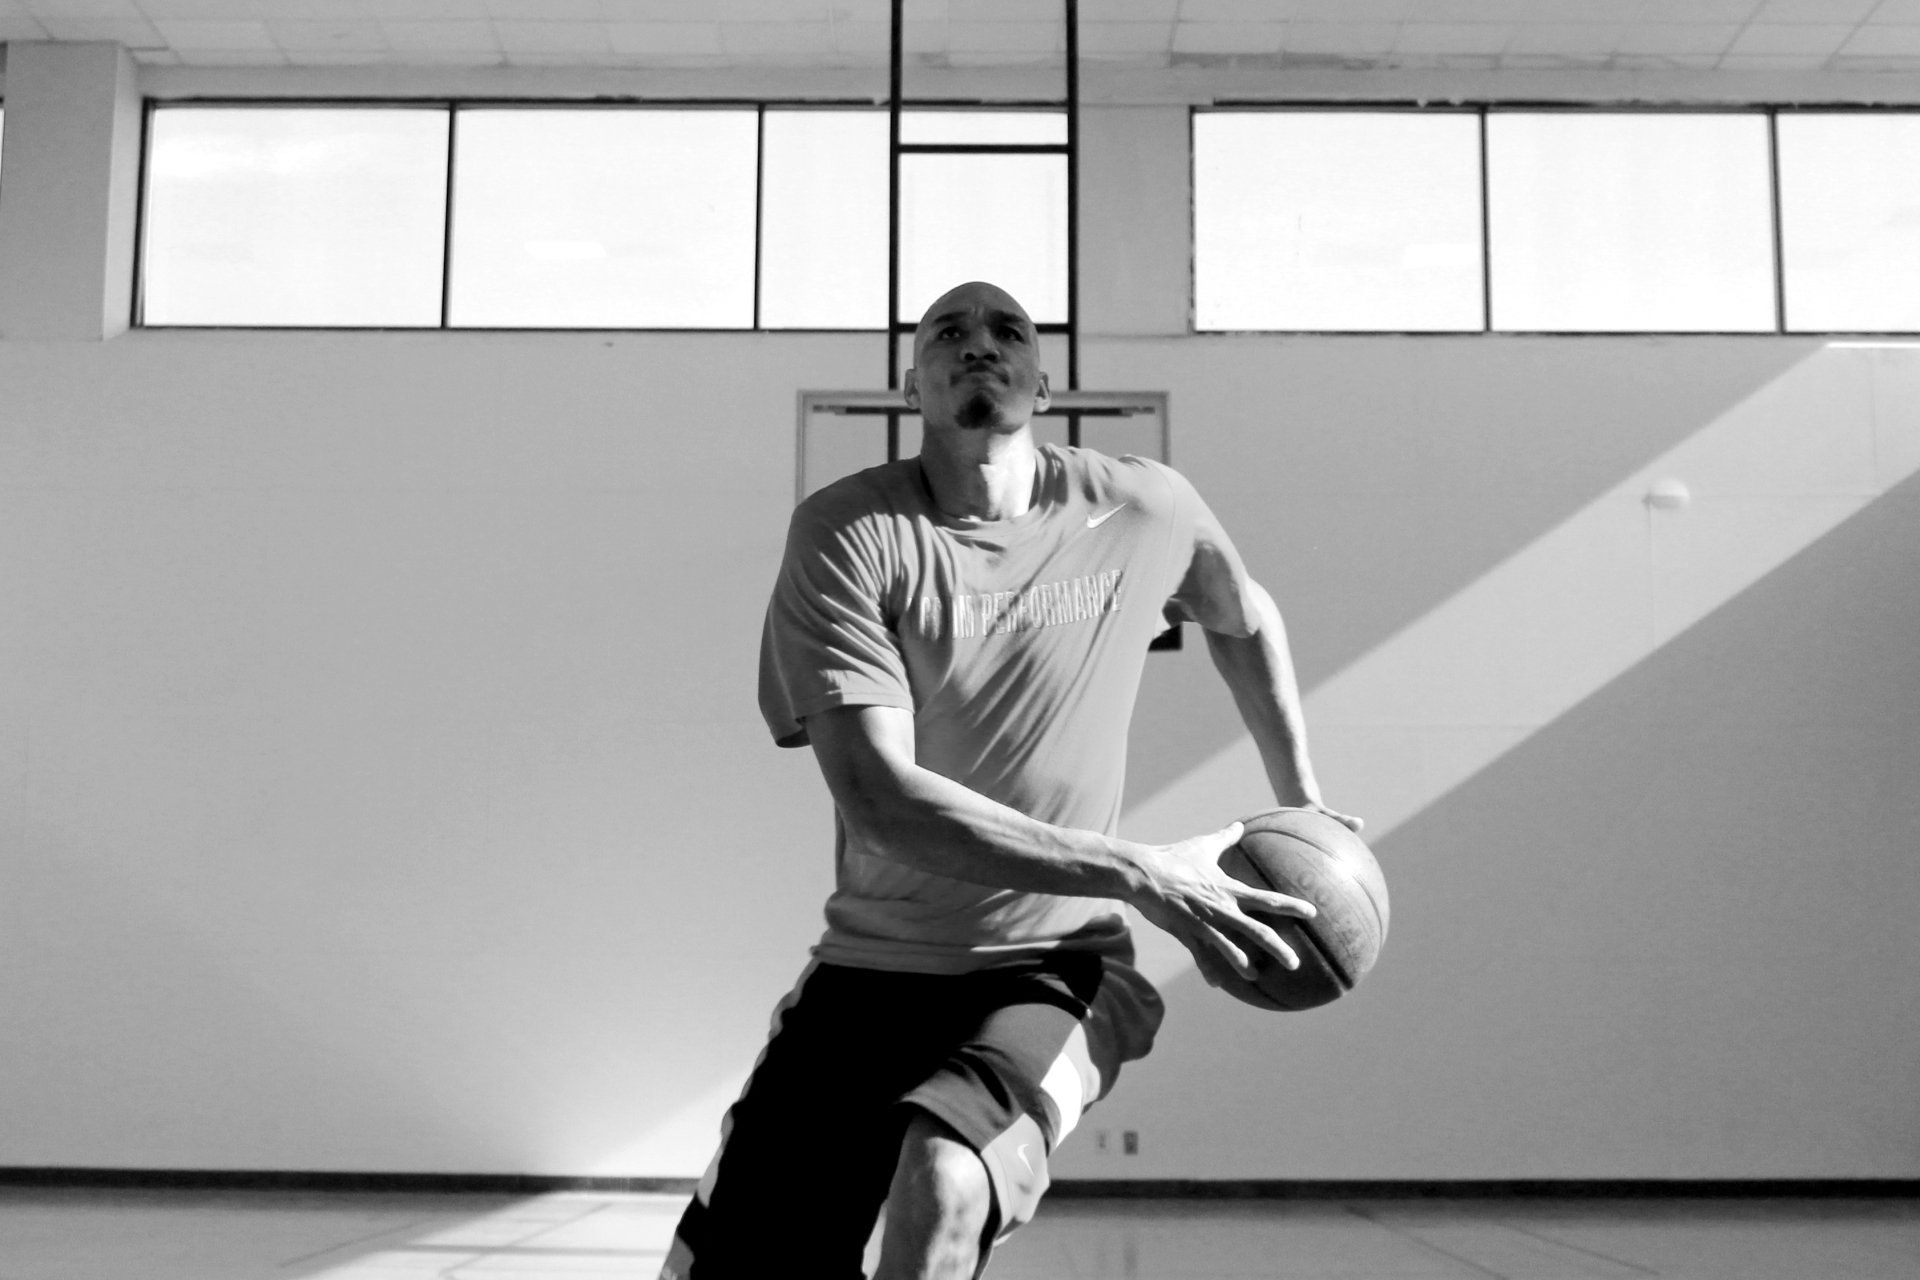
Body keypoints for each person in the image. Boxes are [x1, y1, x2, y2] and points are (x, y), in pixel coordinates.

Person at [660, 281, 1358, 1280]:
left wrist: (1299, 796)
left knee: (943, 1180)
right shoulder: (850, 533)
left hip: (1055, 965)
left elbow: (1243, 613)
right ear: (913, 388)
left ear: (1044, 378)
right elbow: (881, 798)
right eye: (950, 330)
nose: (978, 342)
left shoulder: (1143, 503)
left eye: (1007, 331)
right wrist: (1143, 868)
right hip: (870, 971)